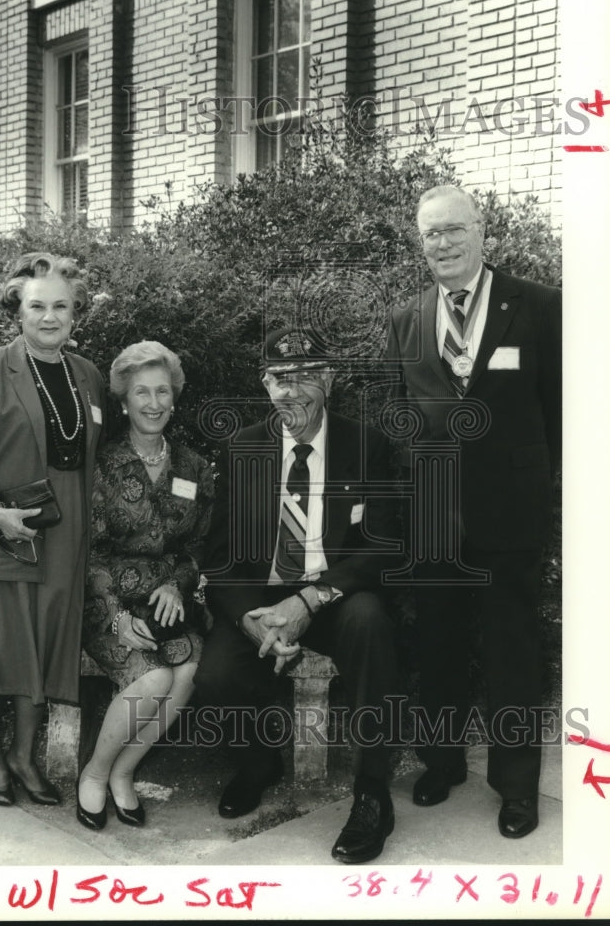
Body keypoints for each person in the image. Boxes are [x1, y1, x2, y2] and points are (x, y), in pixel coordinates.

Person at [385, 184, 562, 839]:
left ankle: (517, 787)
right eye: (431, 233)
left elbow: (560, 412)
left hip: (510, 515)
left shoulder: (540, 307)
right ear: (420, 241)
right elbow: (404, 417)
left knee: (513, 650)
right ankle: (442, 762)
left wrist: (531, 480)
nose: (444, 243)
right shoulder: (406, 318)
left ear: (481, 230)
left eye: (455, 229)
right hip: (435, 518)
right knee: (439, 646)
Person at [198, 326, 401, 864]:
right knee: (214, 676)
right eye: (279, 379)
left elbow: (382, 549)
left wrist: (310, 601)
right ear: (265, 386)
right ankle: (259, 762)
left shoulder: (367, 444)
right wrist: (251, 619)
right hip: (262, 595)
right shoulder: (242, 446)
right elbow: (218, 559)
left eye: (306, 377)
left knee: (371, 625)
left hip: (332, 595)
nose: (292, 391)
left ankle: (372, 791)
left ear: (328, 380)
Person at [0, 252, 106, 807]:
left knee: (44, 642)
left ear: (75, 313)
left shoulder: (86, 373)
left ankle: (23, 754)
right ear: (18, 309)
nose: (49, 316)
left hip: (64, 533)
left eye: (60, 306)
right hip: (1, 527)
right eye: (37, 305)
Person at [77, 341, 214, 831]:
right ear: (124, 401)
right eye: (142, 392)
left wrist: (179, 584)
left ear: (173, 399)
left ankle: (124, 773)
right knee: (153, 677)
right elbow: (89, 552)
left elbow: (199, 546)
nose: (153, 402)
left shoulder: (194, 468)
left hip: (165, 601)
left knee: (189, 667)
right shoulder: (103, 465)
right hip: (106, 598)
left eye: (162, 391)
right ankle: (94, 775)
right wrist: (115, 613)